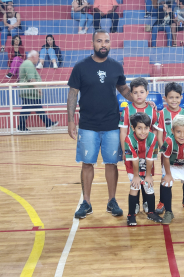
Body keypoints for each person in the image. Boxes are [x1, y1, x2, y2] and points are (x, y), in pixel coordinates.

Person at [67, 29, 133, 219]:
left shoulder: (116, 66)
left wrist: (138, 102)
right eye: (99, 41)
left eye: (106, 41)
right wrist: (71, 120)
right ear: (92, 43)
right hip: (88, 124)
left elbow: (123, 89)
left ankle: (112, 201)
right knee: (87, 164)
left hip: (112, 123)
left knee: (111, 164)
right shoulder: (80, 67)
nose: (103, 44)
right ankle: (86, 202)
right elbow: (72, 94)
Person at [119, 77, 159, 214]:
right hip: (133, 152)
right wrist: (124, 150)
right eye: (135, 92)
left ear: (147, 93)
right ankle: (134, 205)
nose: (139, 95)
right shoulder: (127, 110)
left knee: (146, 176)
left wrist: (154, 148)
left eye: (142, 92)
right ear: (131, 94)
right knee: (134, 179)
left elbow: (154, 129)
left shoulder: (153, 110)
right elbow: (123, 130)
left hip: (147, 153)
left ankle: (147, 204)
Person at [154, 82, 184, 214]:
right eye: (171, 97)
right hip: (167, 154)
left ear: (181, 97)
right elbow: (159, 135)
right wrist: (164, 152)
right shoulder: (161, 113)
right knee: (165, 177)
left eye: (177, 97)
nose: (174, 100)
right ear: (165, 98)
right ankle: (162, 202)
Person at [125, 113, 163, 226]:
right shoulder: (129, 139)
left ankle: (151, 212)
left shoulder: (153, 137)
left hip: (147, 164)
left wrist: (148, 175)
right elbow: (135, 160)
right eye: (139, 128)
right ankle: (131, 215)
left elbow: (150, 158)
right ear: (133, 128)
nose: (143, 131)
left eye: (146, 128)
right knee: (135, 186)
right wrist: (136, 176)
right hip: (133, 166)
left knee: (148, 186)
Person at [17, 50, 59, 132]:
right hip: (30, 92)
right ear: (34, 57)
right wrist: (38, 89)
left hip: (29, 92)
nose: (39, 58)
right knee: (26, 109)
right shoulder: (29, 64)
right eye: (38, 56)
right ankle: (21, 127)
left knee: (37, 108)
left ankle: (48, 123)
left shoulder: (26, 63)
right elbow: (32, 79)